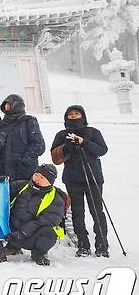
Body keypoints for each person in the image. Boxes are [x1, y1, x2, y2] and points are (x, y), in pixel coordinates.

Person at [51, 105, 109, 257]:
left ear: (82, 115)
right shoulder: (62, 134)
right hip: (73, 178)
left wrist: (84, 142)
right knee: (77, 212)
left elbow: (102, 150)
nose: (73, 116)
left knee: (97, 211)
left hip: (93, 177)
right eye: (70, 114)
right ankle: (83, 245)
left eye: (77, 113)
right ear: (66, 117)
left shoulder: (93, 132)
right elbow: (55, 156)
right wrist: (66, 147)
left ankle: (102, 245)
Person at [2, 164, 67, 266]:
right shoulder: (22, 185)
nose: (37, 179)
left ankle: (39, 252)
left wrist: (22, 233)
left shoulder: (56, 199)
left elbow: (45, 221)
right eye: (36, 175)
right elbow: (3, 192)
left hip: (31, 236)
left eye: (42, 177)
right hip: (12, 232)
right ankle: (13, 247)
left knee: (49, 232)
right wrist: (0, 183)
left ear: (50, 182)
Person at [0, 94, 45, 181]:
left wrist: (26, 160)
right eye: (5, 105)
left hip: (23, 173)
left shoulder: (28, 121)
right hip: (2, 173)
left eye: (9, 104)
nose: (7, 107)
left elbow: (39, 145)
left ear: (17, 106)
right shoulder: (1, 124)